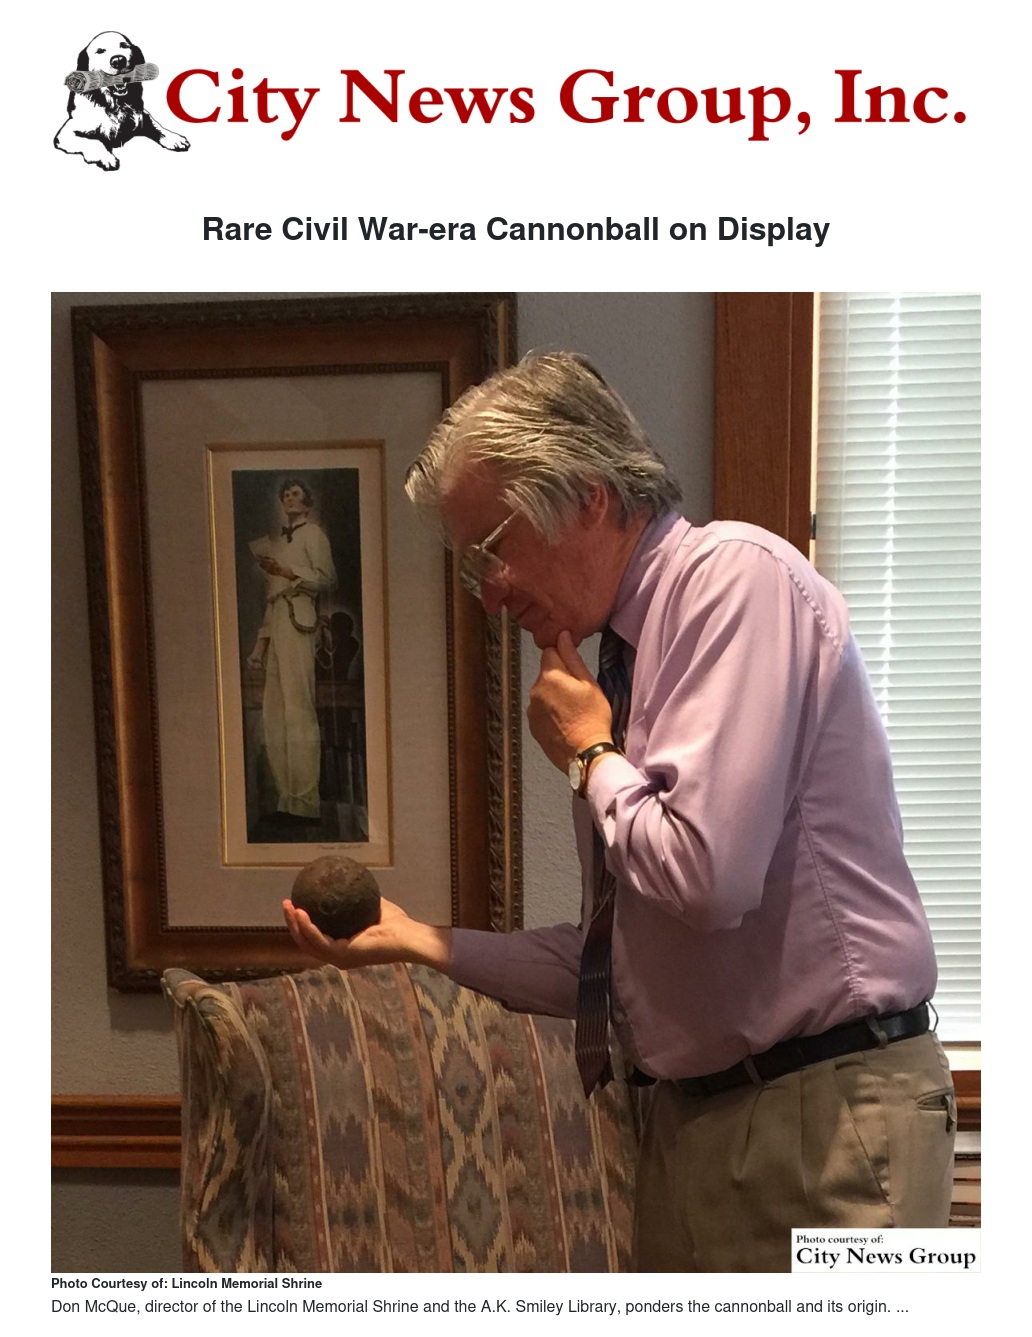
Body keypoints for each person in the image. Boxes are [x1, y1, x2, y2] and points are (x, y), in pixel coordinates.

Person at [283, 353, 956, 1272]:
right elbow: (615, 970)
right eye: (471, 566)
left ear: (588, 496)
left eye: (493, 548)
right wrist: (416, 939)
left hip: (828, 1118)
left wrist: (589, 754)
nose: (490, 591)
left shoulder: (735, 582)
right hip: (691, 1126)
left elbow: (705, 877)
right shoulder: (617, 665)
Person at [248, 478, 337, 825]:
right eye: (285, 494)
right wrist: (260, 646)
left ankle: (305, 802)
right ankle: (287, 799)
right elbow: (273, 599)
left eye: (296, 493)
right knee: (275, 712)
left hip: (300, 621)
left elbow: (327, 578)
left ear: (308, 502)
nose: (289, 497)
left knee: (299, 710)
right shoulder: (278, 545)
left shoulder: (314, 534)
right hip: (278, 623)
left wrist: (288, 572)